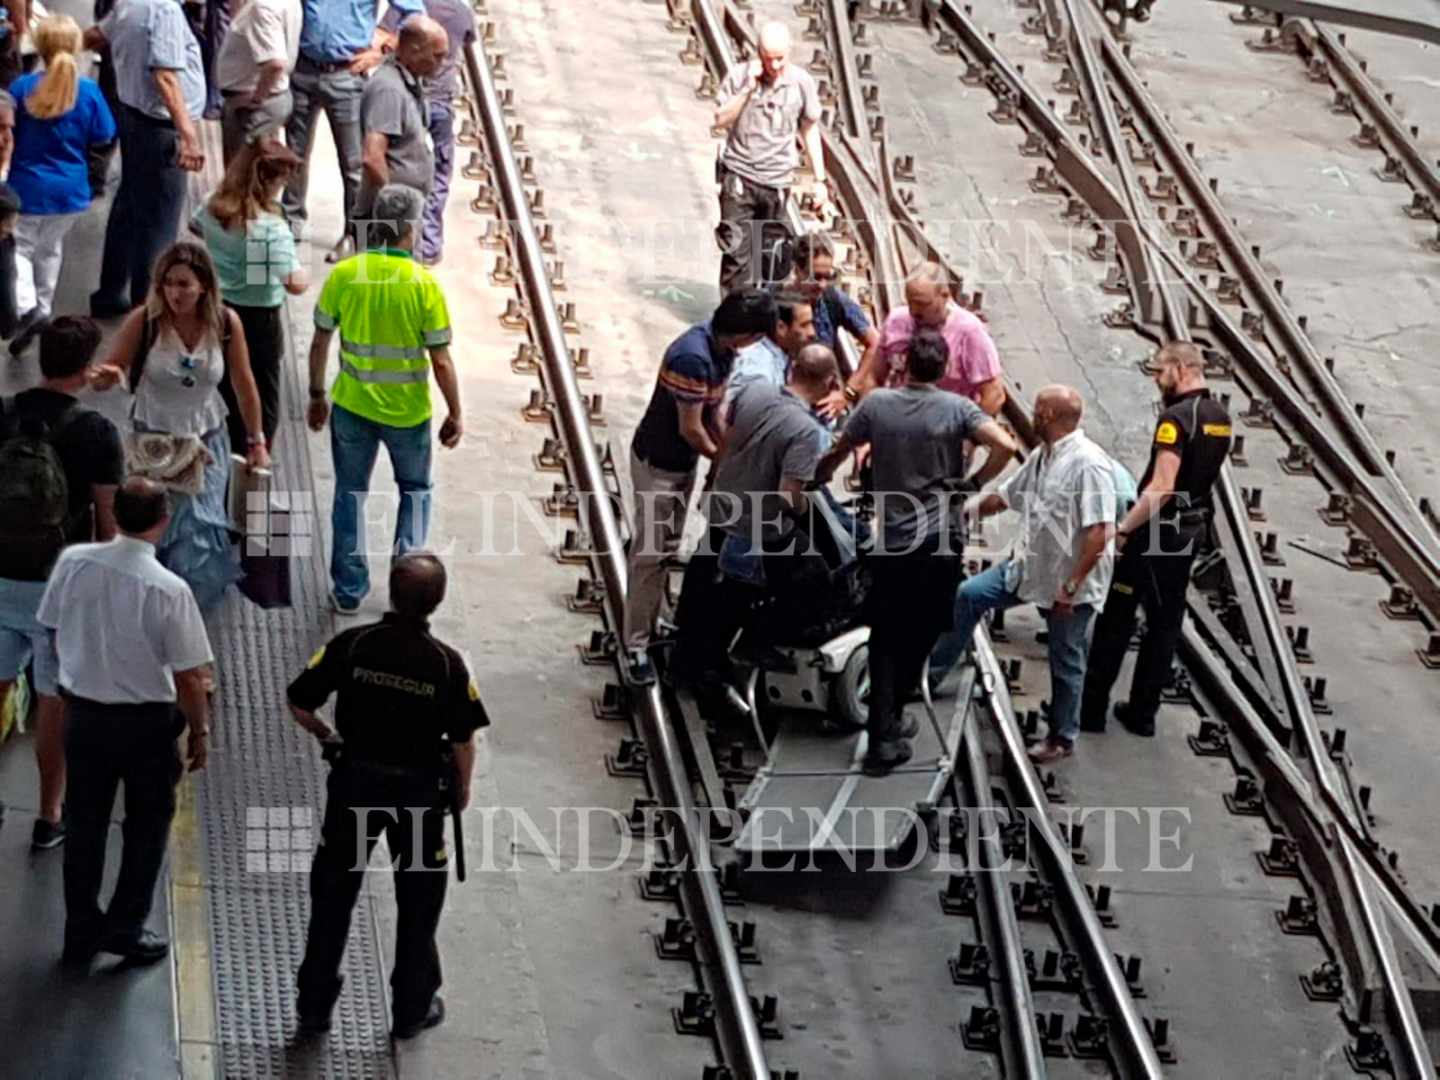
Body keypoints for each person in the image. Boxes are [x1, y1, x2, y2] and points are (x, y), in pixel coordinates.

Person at [288, 552, 486, 1038]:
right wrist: (461, 788)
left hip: (354, 787)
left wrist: (328, 736)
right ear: (436, 603)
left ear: (392, 594)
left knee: (333, 898)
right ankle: (410, 1009)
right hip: (418, 798)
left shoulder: (354, 644)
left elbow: (298, 699)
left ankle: (314, 1007)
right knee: (419, 907)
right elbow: (463, 739)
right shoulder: (447, 664)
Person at [814, 330, 1017, 773]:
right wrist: (975, 484)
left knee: (886, 634)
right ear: (943, 370)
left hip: (892, 543)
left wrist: (818, 475)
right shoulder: (958, 409)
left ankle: (884, 729)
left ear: (904, 365)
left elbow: (838, 450)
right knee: (925, 628)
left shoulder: (877, 405)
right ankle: (889, 721)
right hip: (939, 544)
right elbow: (1005, 445)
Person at [39, 477, 213, 966]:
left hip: (85, 719)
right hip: (147, 727)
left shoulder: (73, 563)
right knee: (147, 827)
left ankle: (80, 931)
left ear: (115, 514)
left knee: (84, 824)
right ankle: (125, 927)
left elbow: (52, 625)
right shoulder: (169, 590)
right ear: (164, 520)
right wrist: (200, 731)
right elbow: (190, 677)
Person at [929, 386, 1116, 764]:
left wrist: (1071, 585)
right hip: (1030, 568)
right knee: (970, 595)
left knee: (1065, 658)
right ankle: (931, 675)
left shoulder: (1089, 464)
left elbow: (1100, 532)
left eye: (1036, 409)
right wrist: (966, 513)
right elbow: (1008, 496)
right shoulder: (1043, 457)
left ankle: (1062, 736)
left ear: (1047, 416)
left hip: (1068, 583)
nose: (1031, 414)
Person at [306, 183, 461, 613]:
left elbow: (320, 341)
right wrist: (456, 412)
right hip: (408, 415)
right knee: (414, 491)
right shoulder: (422, 285)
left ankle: (349, 589)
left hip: (352, 408)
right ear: (409, 229)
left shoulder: (346, 274)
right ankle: (405, 588)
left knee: (349, 492)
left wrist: (317, 394)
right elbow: (441, 360)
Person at [0, 317, 122, 852]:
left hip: (1, 575)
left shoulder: (2, 413)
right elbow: (108, 521)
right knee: (53, 701)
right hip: (58, 585)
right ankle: (49, 814)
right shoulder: (95, 432)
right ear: (87, 366)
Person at [92, 241, 270, 608]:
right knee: (153, 529)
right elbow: (113, 367)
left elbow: (244, 383)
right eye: (169, 283)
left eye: (184, 284)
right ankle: (151, 606)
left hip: (206, 440)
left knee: (200, 531)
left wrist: (256, 440)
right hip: (154, 441)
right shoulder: (144, 322)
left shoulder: (224, 323)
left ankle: (188, 609)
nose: (175, 293)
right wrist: (106, 376)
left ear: (204, 285)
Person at [623, 289, 775, 683]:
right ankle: (636, 645)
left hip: (679, 465)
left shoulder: (721, 351)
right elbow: (690, 429)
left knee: (665, 547)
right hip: (659, 464)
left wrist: (725, 454)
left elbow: (713, 417)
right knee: (652, 554)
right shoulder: (692, 356)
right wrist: (726, 463)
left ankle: (651, 620)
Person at [1081, 341, 1231, 737]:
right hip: (1190, 531)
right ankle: (1143, 714)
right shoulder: (1219, 417)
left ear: (1180, 368)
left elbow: (1162, 486)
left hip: (1156, 535)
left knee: (1117, 617)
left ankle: (1090, 711)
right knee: (1165, 623)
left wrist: (1125, 527)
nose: (1156, 381)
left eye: (1159, 372)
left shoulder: (1175, 419)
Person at [673, 343, 839, 686]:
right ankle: (750, 644)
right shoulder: (806, 431)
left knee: (706, 580)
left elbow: (725, 430)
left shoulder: (754, 392)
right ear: (830, 382)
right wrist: (814, 518)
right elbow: (789, 494)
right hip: (756, 526)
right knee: (813, 582)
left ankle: (685, 657)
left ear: (792, 369)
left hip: (722, 504)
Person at [84, 0, 207, 317]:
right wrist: (188, 133)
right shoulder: (164, 10)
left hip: (134, 119)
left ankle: (111, 292)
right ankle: (149, 310)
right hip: (161, 129)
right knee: (160, 224)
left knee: (129, 205)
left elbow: (96, 35)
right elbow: (165, 75)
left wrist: (56, 43)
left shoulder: (130, 3)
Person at [7, 15, 117, 356]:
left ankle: (28, 309)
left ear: (39, 47)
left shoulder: (22, 88)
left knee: (19, 248)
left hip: (26, 187)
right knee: (50, 248)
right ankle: (43, 308)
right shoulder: (88, 91)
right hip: (71, 191)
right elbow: (104, 135)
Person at [283, 0, 423, 257]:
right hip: (303, 69)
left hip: (346, 74)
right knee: (294, 155)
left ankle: (353, 234)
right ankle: (289, 224)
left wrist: (384, 49)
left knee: (354, 165)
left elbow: (415, 11)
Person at [192, 138, 307, 449]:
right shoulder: (270, 228)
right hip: (260, 320)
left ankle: (224, 446)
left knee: (227, 383)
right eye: (284, 177)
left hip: (221, 310)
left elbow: (195, 226)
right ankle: (255, 451)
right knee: (261, 391)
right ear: (268, 180)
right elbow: (295, 284)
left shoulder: (212, 206)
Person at [712, 20, 826, 293]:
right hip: (740, 179)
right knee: (738, 256)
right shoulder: (740, 77)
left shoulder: (801, 83)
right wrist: (748, 89)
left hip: (776, 184)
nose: (773, 66)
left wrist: (819, 180)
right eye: (767, 59)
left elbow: (809, 130)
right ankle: (735, 325)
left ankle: (766, 320)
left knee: (773, 257)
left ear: (790, 52)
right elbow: (719, 119)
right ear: (757, 53)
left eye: (780, 59)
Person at [378, 0, 474, 265]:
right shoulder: (461, 12)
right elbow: (468, 39)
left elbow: (384, 37)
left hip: (411, 98)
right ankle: (429, 245)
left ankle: (399, 239)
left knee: (402, 167)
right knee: (439, 174)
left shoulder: (406, 7)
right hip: (441, 101)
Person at [855, 262, 1006, 416]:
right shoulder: (896, 321)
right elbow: (873, 377)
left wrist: (968, 432)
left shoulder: (969, 332)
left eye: (922, 304)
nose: (914, 311)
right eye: (910, 302)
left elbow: (994, 394)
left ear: (945, 295)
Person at [354, 15, 446, 228]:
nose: (441, 64)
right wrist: (395, 205)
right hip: (387, 220)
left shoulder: (410, 83)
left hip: (402, 215)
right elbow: (372, 157)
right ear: (414, 51)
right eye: (437, 56)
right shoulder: (389, 90)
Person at [790, 231, 879, 395]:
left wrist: (849, 391)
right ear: (797, 270)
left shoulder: (833, 299)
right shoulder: (775, 304)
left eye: (827, 277)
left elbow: (874, 343)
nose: (822, 285)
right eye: (815, 277)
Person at [214, 0, 301, 165]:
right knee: (257, 174)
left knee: (243, 178)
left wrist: (257, 98)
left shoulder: (263, 7)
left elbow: (275, 63)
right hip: (270, 97)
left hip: (255, 105)